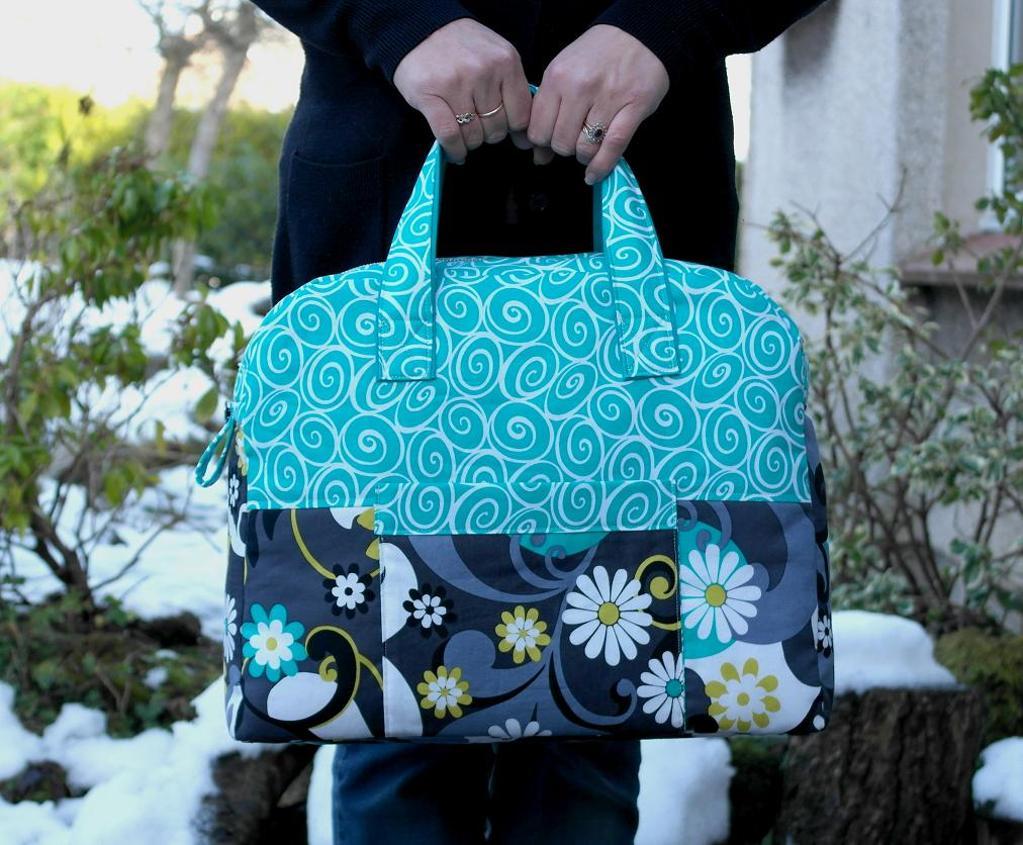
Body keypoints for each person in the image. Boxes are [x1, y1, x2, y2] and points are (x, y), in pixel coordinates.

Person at [247, 2, 828, 842]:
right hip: (385, 174)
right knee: (388, 724)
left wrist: (668, 24)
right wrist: (394, 18)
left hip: (640, 170)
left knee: (601, 712)